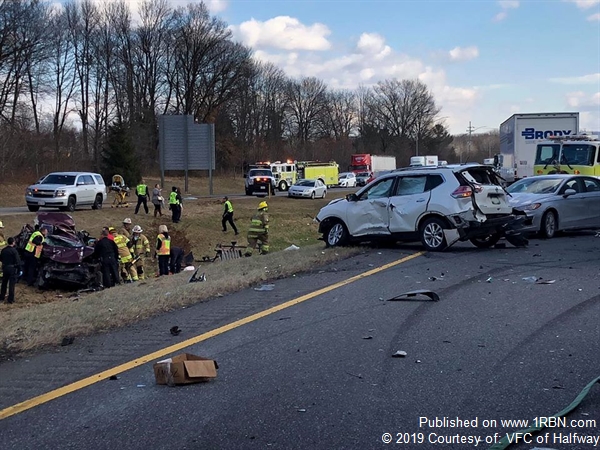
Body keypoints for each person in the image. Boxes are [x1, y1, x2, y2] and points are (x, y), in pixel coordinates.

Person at [0, 237, 22, 304]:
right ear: (13, 242)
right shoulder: (14, 251)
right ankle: (10, 299)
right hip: (12, 268)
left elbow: (1, 258)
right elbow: (18, 261)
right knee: (11, 284)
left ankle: (2, 297)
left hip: (5, 268)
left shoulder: (3, 250)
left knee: (4, 283)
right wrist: (20, 269)